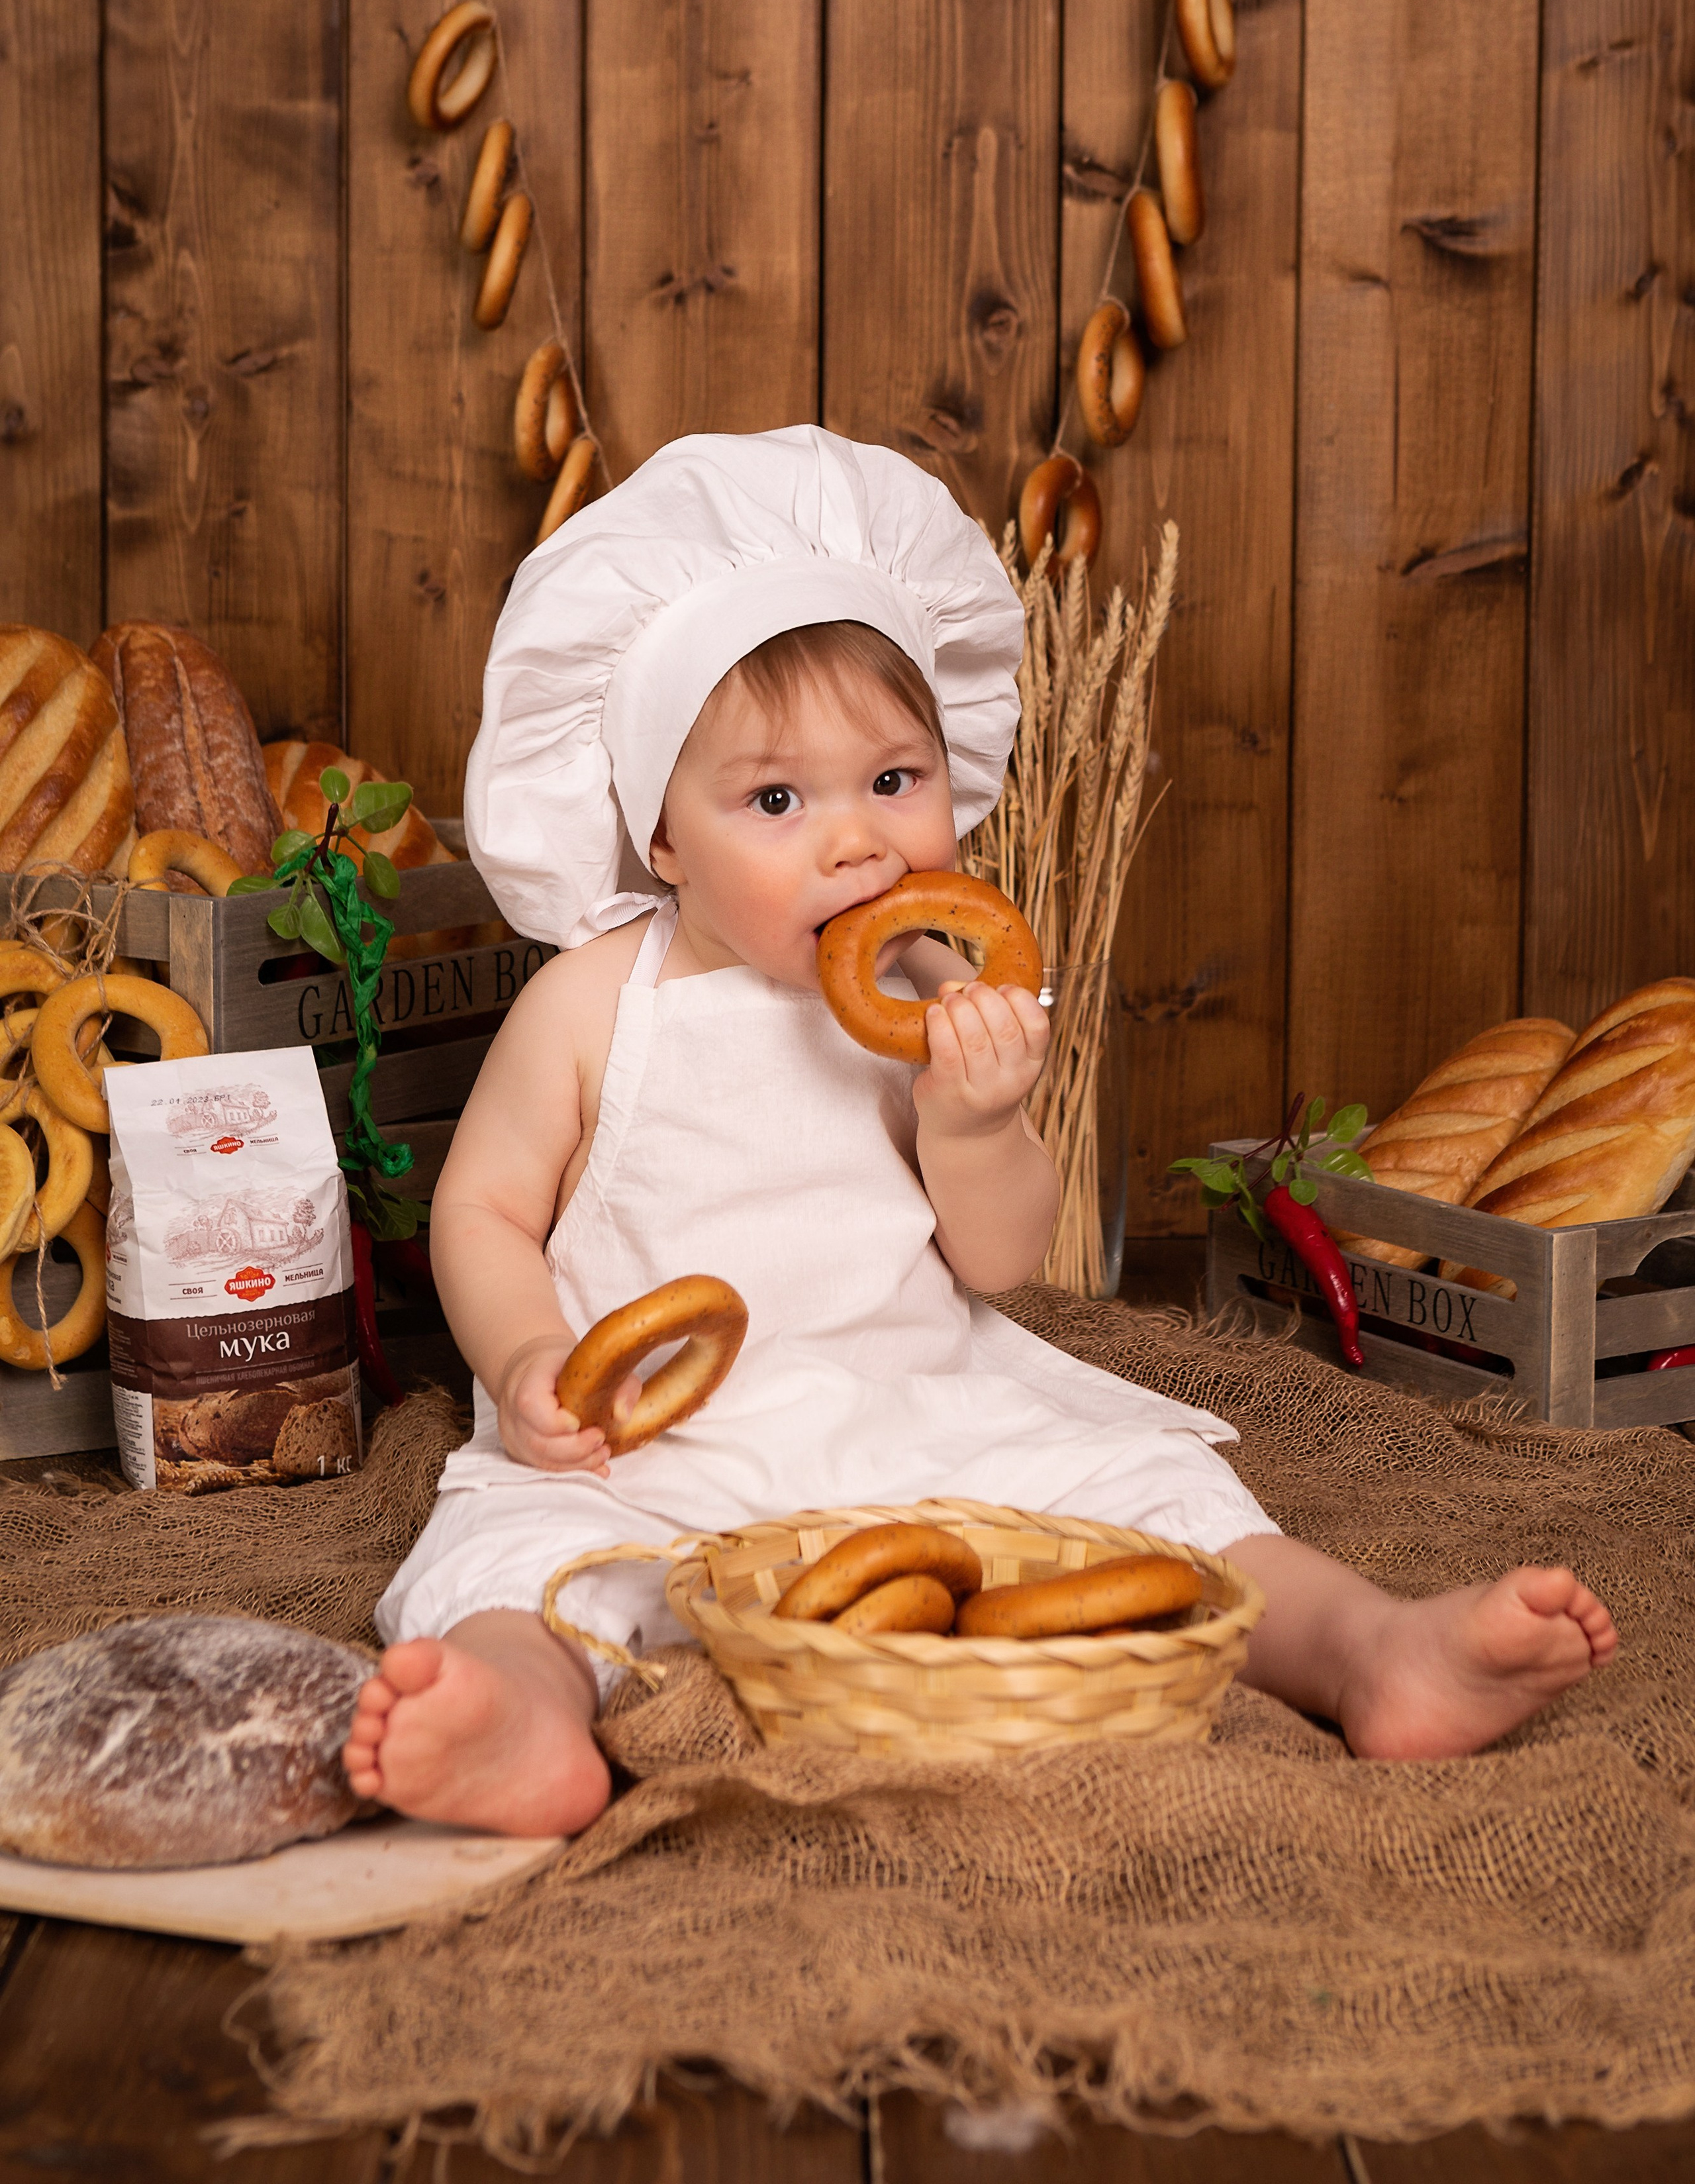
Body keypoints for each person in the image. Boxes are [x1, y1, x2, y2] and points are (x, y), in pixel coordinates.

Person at [345, 428, 1615, 1836]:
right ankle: (521, 1718)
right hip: (648, 1454)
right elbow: (484, 1213)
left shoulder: (935, 990)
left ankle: (1369, 1652)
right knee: (521, 1553)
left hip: (913, 1406)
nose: (856, 843)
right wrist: (528, 1359)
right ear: (657, 840)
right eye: (774, 801)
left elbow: (1001, 1262)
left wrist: (973, 1120)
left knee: (1164, 1501)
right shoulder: (595, 1004)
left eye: (894, 781)